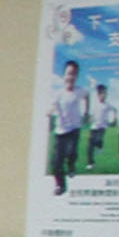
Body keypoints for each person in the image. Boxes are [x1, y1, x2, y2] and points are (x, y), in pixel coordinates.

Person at [49, 59, 87, 194]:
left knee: (71, 153)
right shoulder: (58, 93)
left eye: (74, 74)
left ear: (77, 76)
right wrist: (50, 112)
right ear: (64, 75)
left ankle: (71, 166)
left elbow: (87, 96)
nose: (71, 77)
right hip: (61, 131)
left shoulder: (80, 91)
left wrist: (86, 112)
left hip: (74, 129)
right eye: (69, 73)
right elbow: (53, 106)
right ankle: (60, 185)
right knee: (56, 162)